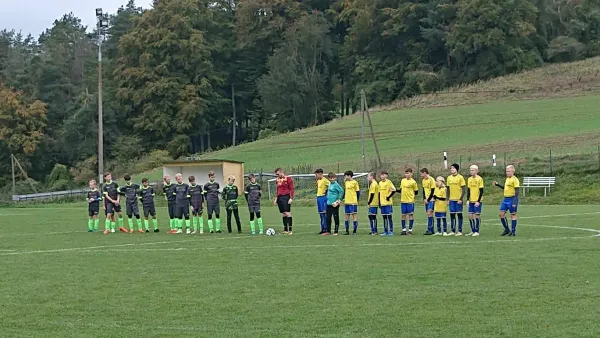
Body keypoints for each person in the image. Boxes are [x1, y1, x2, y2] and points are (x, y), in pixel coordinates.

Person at [493, 165, 520, 236]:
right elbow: (505, 188)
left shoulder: (515, 180)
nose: (507, 173)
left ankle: (513, 231)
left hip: (512, 199)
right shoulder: (507, 179)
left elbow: (517, 191)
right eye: (506, 171)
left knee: (513, 215)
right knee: (501, 214)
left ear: (513, 171)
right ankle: (507, 229)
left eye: (508, 171)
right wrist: (498, 185)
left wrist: (514, 201)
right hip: (505, 199)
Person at [446, 163, 466, 236]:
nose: (452, 169)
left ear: (457, 169)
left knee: (459, 214)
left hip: (458, 200)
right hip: (451, 200)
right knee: (452, 215)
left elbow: (464, 189)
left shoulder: (460, 177)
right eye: (451, 168)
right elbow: (447, 189)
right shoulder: (449, 178)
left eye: (453, 168)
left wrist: (460, 199)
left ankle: (460, 231)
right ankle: (453, 230)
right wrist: (447, 199)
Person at [273, 168, 294, 235]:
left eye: (278, 174)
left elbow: (292, 188)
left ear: (281, 172)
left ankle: (290, 230)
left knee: (287, 213)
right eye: (276, 174)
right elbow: (277, 189)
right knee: (283, 214)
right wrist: (276, 198)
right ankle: (285, 229)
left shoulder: (288, 178)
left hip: (286, 197)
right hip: (280, 197)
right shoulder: (277, 180)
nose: (277, 175)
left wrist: (291, 198)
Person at [399, 168, 419, 235]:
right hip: (403, 201)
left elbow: (416, 192)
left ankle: (410, 230)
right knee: (403, 215)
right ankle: (403, 230)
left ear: (411, 174)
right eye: (405, 173)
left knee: (410, 215)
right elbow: (401, 190)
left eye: (408, 173)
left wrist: (411, 196)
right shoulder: (402, 181)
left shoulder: (413, 182)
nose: (406, 175)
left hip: (410, 201)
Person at [466, 165, 484, 237]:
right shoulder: (469, 179)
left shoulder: (479, 179)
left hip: (477, 201)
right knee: (470, 215)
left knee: (477, 215)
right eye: (470, 170)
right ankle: (473, 230)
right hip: (471, 200)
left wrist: (478, 201)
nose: (471, 171)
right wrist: (467, 199)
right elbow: (468, 190)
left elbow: (481, 191)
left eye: (472, 170)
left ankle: (477, 231)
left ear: (476, 171)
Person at [378, 171, 396, 236]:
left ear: (386, 176)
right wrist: (379, 202)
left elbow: (394, 190)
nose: (382, 176)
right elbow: (379, 193)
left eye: (383, 175)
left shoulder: (389, 182)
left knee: (389, 217)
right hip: (382, 203)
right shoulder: (379, 183)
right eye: (381, 175)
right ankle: (385, 231)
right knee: (384, 217)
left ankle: (391, 231)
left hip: (388, 203)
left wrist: (388, 197)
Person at [343, 170, 360, 235]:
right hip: (347, 202)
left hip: (353, 202)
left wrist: (357, 200)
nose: (345, 177)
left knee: (354, 215)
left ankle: (354, 231)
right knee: (346, 216)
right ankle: (347, 231)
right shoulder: (346, 182)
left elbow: (358, 192)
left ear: (349, 176)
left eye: (346, 176)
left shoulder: (355, 182)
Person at [420, 168, 436, 235]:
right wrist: (424, 198)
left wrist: (428, 199)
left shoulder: (431, 179)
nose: (421, 175)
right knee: (428, 214)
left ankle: (429, 229)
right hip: (426, 200)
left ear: (425, 173)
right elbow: (424, 190)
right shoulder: (423, 180)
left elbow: (433, 191)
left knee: (430, 213)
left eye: (421, 173)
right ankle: (431, 230)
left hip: (431, 199)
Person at [315, 169, 330, 235]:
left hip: (323, 198)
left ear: (320, 174)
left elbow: (331, 186)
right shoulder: (318, 181)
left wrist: (326, 192)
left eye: (316, 174)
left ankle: (326, 229)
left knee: (324, 214)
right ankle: (322, 228)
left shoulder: (325, 180)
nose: (315, 176)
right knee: (321, 214)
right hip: (319, 198)